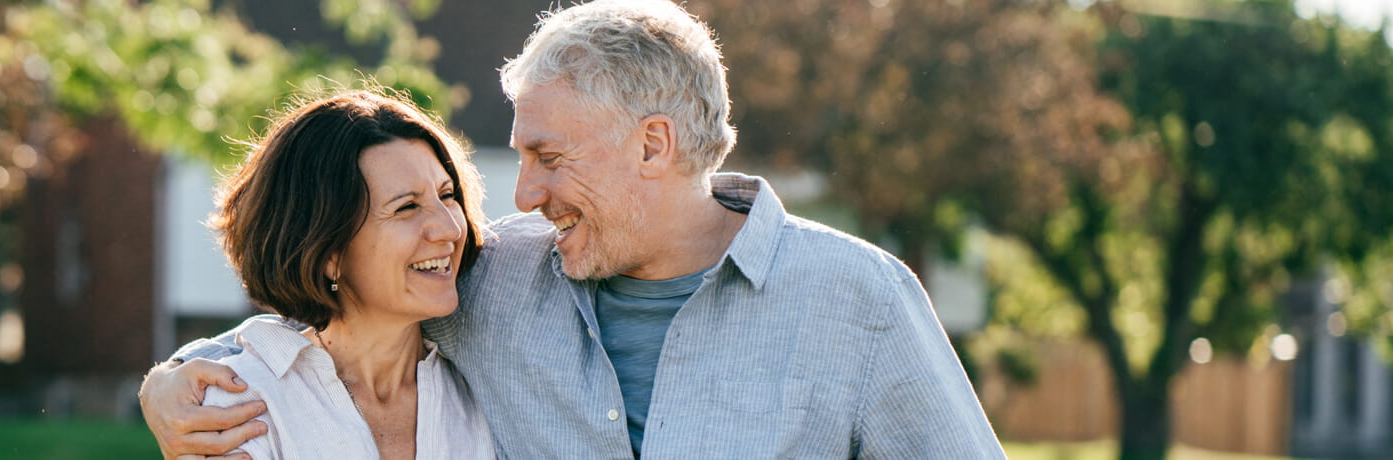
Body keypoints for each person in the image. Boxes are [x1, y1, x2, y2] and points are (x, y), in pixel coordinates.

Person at [141, 1, 1003, 458]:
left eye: (551, 157)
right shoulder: (490, 279)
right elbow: (324, 319)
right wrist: (171, 382)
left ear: (652, 144)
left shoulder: (858, 299)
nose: (525, 192)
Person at [183, 89, 496, 460]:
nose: (450, 228)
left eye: (447, 195)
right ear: (327, 252)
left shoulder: (488, 391)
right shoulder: (246, 403)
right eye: (407, 207)